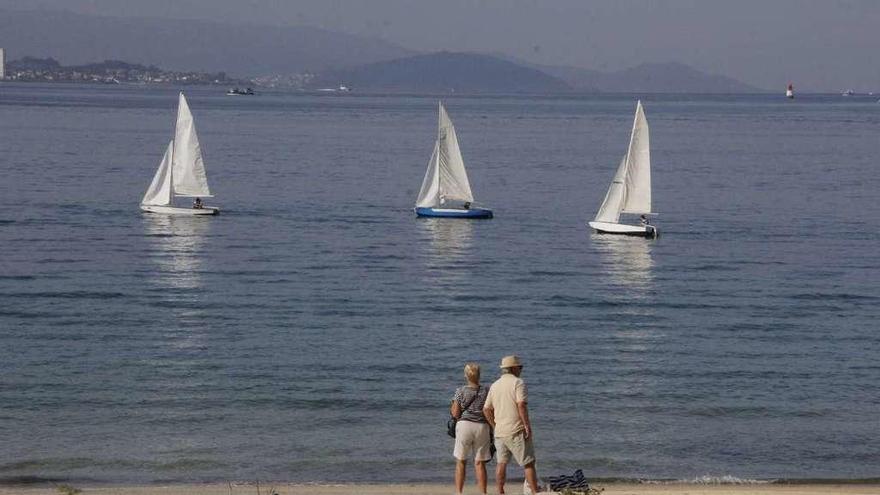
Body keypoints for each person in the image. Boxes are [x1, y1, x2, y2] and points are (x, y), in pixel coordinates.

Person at [483, 355, 539, 495]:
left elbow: (486, 409)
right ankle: (534, 491)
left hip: (500, 432)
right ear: (514, 368)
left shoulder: (495, 385)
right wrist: (527, 425)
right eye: (520, 367)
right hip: (516, 429)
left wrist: (494, 425)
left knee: (501, 463)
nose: (521, 369)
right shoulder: (518, 383)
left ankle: (500, 491)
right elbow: (521, 405)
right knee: (528, 463)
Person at [451, 363, 491, 495]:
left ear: (465, 375)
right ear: (479, 375)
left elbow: (456, 413)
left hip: (464, 426)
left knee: (461, 461)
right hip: (482, 427)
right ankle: (483, 492)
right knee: (480, 463)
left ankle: (458, 492)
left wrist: (452, 407)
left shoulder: (460, 391)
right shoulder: (486, 390)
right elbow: (490, 409)